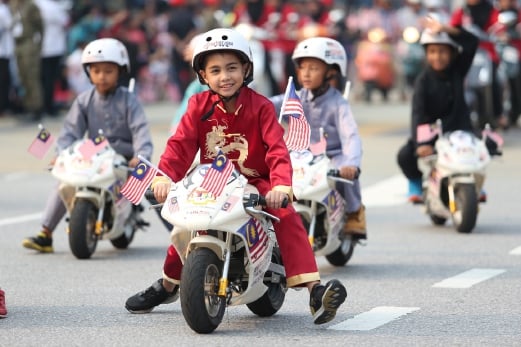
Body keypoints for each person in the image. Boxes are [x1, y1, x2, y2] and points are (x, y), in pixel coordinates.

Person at [125, 28, 347, 325]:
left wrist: (281, 184)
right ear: (203, 75)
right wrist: (164, 176)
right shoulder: (197, 106)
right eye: (215, 70)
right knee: (190, 222)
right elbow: (180, 146)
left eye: (232, 68)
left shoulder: (262, 107)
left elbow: (277, 150)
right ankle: (168, 285)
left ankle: (314, 289)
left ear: (246, 69)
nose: (225, 76)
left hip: (257, 183)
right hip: (211, 183)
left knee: (287, 214)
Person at [21, 38, 153, 253]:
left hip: (122, 154)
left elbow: (140, 131)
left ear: (120, 71)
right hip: (93, 151)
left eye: (108, 71)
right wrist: (60, 155)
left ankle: (130, 212)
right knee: (64, 182)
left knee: (141, 185)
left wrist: (141, 154)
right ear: (88, 72)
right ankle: (46, 233)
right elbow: (70, 131)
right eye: (96, 70)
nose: (102, 76)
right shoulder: (83, 100)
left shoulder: (129, 100)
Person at [272, 36, 367, 240]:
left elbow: (351, 135)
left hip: (333, 155)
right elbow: (268, 105)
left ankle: (354, 211)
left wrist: (351, 163)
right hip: (302, 153)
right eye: (302, 67)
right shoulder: (296, 97)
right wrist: (250, 103)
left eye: (313, 68)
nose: (305, 73)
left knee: (345, 175)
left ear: (331, 71)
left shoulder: (338, 104)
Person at [396, 17, 479, 203]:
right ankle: (416, 182)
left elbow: (472, 41)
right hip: (431, 133)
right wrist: (420, 144)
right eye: (432, 51)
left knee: (482, 149)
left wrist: (446, 29)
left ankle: (475, 183)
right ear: (426, 53)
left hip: (459, 130)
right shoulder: (422, 81)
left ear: (452, 53)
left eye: (442, 51)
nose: (437, 56)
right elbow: (417, 114)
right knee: (404, 156)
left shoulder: (458, 70)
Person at [9, 0, 44, 122]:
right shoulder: (13, 5)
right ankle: (28, 107)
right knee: (22, 77)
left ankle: (36, 108)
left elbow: (40, 26)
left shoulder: (31, 6)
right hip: (18, 43)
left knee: (31, 77)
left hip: (29, 43)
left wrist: (39, 45)